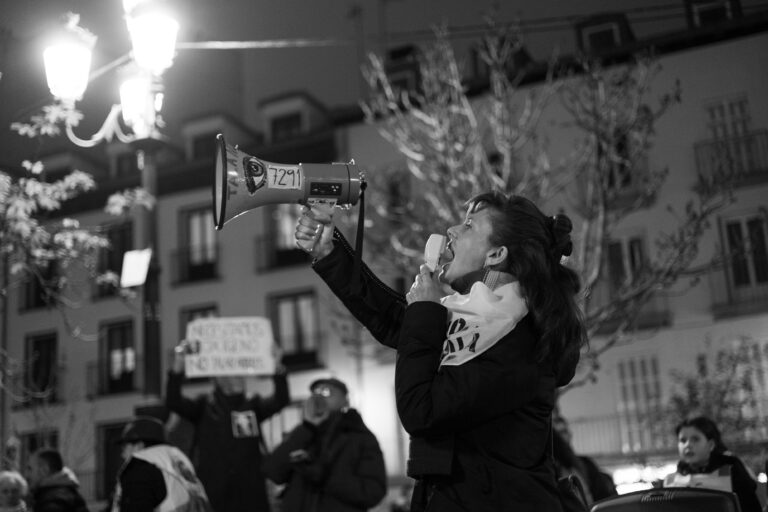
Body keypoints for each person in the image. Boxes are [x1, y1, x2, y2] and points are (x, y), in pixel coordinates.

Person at [296, 191, 587, 511]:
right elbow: (397, 322)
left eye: (469, 226)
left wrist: (424, 312)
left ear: (496, 254)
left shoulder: (520, 342)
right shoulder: (475, 321)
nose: (452, 231)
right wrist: (329, 250)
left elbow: (421, 410)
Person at [166, 340, 290, 512]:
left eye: (240, 373)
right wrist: (178, 367)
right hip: (214, 493)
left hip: (250, 495)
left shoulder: (253, 405)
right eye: (232, 372)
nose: (239, 377)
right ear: (217, 378)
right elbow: (173, 402)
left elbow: (281, 400)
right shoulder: (203, 407)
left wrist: (277, 366)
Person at [262, 377, 387, 511]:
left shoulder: (360, 438)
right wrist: (306, 428)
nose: (319, 396)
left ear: (345, 400)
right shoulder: (303, 434)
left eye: (327, 392)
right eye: (315, 392)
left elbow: (373, 492)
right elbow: (273, 471)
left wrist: (327, 477)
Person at [112, 416, 210, 512]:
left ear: (139, 445)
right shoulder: (177, 463)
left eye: (124, 447)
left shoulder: (140, 467)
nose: (122, 454)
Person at [664, 416, 761, 512]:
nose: (687, 445)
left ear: (711, 445)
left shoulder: (731, 470)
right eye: (683, 440)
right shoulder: (672, 479)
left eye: (695, 439)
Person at [553, 414, 617, 505]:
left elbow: (602, 497)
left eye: (564, 432)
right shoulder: (551, 469)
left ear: (570, 434)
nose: (561, 438)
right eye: (558, 434)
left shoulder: (586, 464)